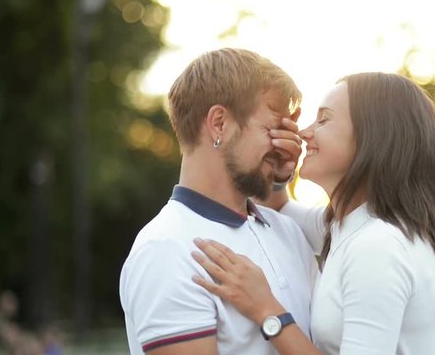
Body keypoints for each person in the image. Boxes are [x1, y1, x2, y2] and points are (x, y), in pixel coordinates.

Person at [192, 72, 435, 354]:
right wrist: (278, 174)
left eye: (324, 120)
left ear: (374, 138)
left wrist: (267, 310)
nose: (304, 133)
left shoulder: (378, 247)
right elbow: (280, 211)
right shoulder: (350, 227)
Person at [119, 48, 319, 355]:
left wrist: (276, 175)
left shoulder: (289, 233)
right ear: (220, 123)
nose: (286, 143)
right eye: (271, 129)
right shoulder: (166, 248)